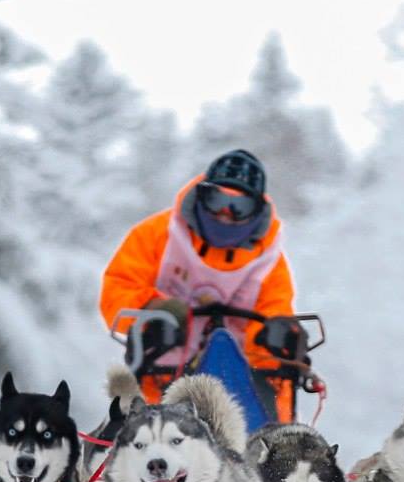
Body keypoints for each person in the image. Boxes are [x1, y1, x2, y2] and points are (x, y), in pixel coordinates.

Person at [100, 149, 297, 420]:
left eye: (240, 207)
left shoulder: (270, 262)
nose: (226, 215)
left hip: (240, 391)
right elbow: (117, 289)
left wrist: (278, 340)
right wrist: (153, 309)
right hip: (159, 383)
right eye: (217, 200)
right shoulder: (156, 235)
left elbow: (273, 332)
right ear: (201, 196)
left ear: (257, 212)